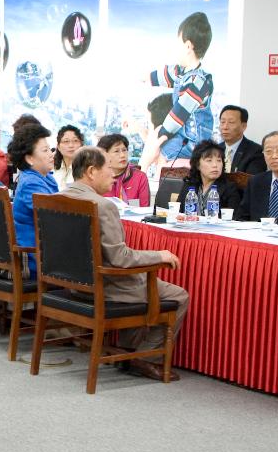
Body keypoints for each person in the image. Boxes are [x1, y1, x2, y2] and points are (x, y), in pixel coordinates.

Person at [62, 148, 188, 381]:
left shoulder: (59, 198)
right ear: (91, 171)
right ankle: (143, 359)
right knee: (177, 295)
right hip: (104, 288)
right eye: (109, 168)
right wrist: (159, 255)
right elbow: (120, 258)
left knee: (142, 284)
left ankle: (127, 354)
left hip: (73, 286)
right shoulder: (102, 205)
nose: (114, 175)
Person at [142, 12, 214, 168]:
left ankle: (162, 185)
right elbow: (166, 74)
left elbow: (178, 115)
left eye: (177, 44)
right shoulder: (182, 72)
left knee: (162, 154)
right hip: (184, 137)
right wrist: (147, 78)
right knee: (159, 150)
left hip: (195, 142)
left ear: (188, 46)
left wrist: (161, 136)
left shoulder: (198, 82)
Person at [8, 123, 56, 276]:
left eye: (50, 149)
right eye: (45, 150)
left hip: (43, 251)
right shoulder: (30, 183)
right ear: (29, 158)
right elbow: (54, 217)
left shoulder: (46, 177)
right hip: (31, 257)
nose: (51, 154)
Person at [183, 139, 242, 212]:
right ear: (197, 165)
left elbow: (233, 218)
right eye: (209, 160)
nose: (215, 165)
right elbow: (178, 212)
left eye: (219, 160)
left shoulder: (229, 189)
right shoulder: (190, 185)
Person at [97, 133, 150, 206]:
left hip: (133, 217)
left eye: (124, 150)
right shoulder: (97, 178)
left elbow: (144, 208)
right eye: (116, 151)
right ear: (104, 155)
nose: (122, 155)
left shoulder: (140, 177)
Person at [217, 105, 265, 175]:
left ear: (243, 126)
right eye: (222, 122)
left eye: (231, 122)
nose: (225, 127)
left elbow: (252, 182)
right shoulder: (215, 149)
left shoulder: (256, 152)